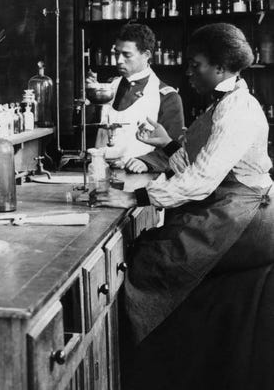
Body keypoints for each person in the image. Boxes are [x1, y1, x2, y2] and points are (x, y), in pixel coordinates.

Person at [95, 23, 274, 390]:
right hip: (227, 209)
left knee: (150, 264)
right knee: (147, 247)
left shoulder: (237, 109)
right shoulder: (224, 102)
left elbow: (201, 181)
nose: (188, 72)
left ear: (221, 68)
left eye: (196, 65)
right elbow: (199, 167)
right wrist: (169, 144)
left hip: (246, 220)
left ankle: (146, 371)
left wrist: (133, 198)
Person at [86, 23, 184, 172]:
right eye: (117, 53)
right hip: (99, 172)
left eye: (127, 55)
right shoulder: (108, 88)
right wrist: (90, 99)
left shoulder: (167, 97)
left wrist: (146, 162)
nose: (119, 60)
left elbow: (174, 149)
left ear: (146, 55)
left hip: (138, 176)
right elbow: (89, 133)